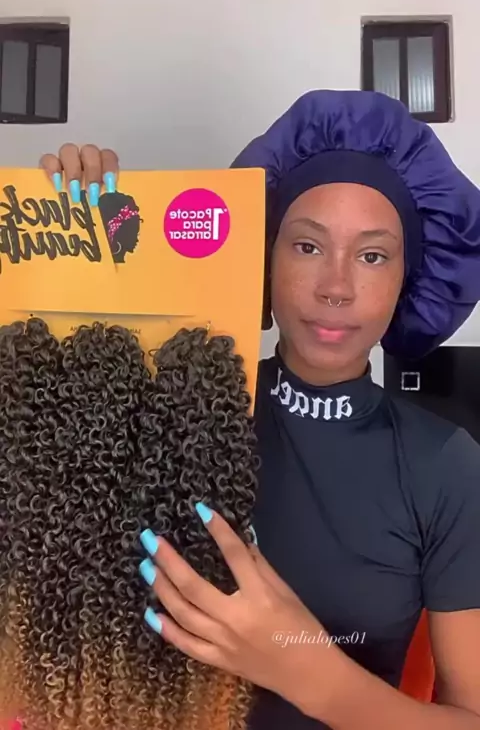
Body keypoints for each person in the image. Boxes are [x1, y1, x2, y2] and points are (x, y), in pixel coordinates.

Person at [40, 91, 480, 730]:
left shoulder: (445, 465)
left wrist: (309, 674)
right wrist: (70, 233)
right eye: (307, 246)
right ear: (262, 260)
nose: (336, 286)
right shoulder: (168, 409)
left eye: (372, 255)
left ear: (406, 278)